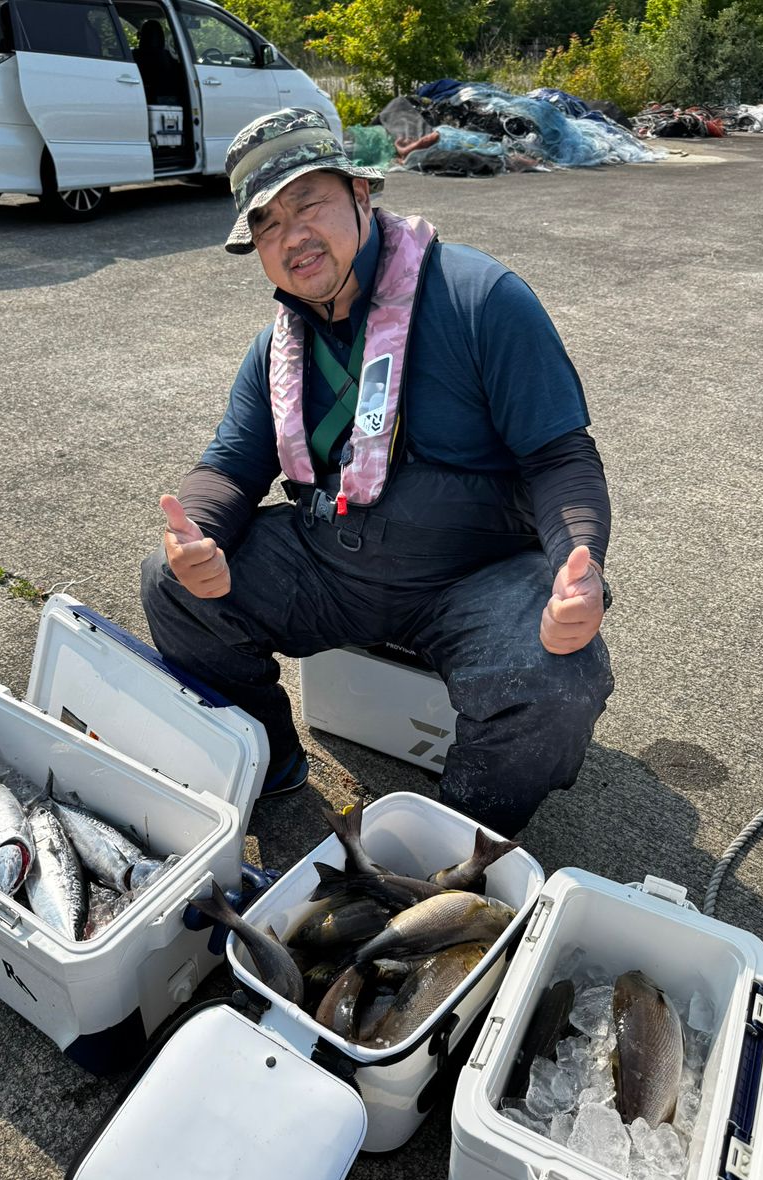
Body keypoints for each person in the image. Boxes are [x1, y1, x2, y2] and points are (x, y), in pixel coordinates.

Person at [141, 107, 614, 837]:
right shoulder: (275, 349)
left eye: (309, 203)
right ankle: (268, 761)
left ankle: (455, 843)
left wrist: (578, 566)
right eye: (266, 222)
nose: (291, 234)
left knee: (557, 678)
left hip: (475, 578)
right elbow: (233, 465)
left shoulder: (480, 298)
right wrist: (195, 537)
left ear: (362, 195)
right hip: (333, 567)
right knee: (170, 585)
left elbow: (559, 456)